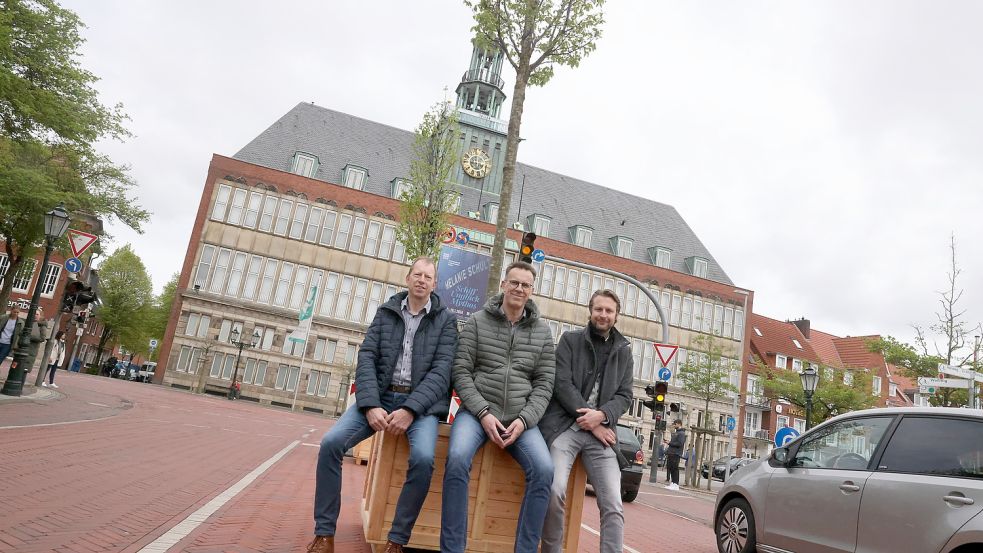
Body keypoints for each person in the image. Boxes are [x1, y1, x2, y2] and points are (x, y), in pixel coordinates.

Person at [308, 257, 458, 553]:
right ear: (407, 278)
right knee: (331, 444)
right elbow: (366, 358)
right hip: (379, 398)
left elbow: (443, 372)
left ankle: (396, 540)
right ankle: (324, 534)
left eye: (428, 277)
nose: (422, 280)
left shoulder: (446, 320)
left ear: (435, 284)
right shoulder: (386, 311)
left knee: (425, 459)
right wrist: (370, 404)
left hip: (421, 408)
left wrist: (410, 410)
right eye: (417, 274)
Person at [440, 261, 556, 553]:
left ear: (532, 291)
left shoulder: (542, 333)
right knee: (456, 459)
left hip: (520, 419)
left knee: (543, 470)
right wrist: (482, 412)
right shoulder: (478, 321)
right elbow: (461, 372)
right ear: (503, 285)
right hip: (476, 414)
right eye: (514, 282)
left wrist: (525, 420)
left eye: (525, 285)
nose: (519, 289)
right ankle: (452, 549)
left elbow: (545, 384)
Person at [539, 289, 633, 553]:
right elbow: (562, 384)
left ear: (617, 315)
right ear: (590, 311)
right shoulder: (570, 340)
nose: (603, 315)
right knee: (555, 490)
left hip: (601, 433)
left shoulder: (624, 351)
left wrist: (602, 417)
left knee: (614, 503)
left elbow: (625, 395)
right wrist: (590, 419)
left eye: (609, 311)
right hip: (566, 427)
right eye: (599, 309)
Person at [664, 419, 687, 491]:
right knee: (671, 468)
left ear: (679, 424)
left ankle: (676, 484)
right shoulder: (677, 433)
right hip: (672, 453)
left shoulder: (681, 433)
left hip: (676, 453)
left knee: (675, 468)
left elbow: (680, 444)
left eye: (675, 424)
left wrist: (670, 443)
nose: (674, 425)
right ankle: (673, 483)